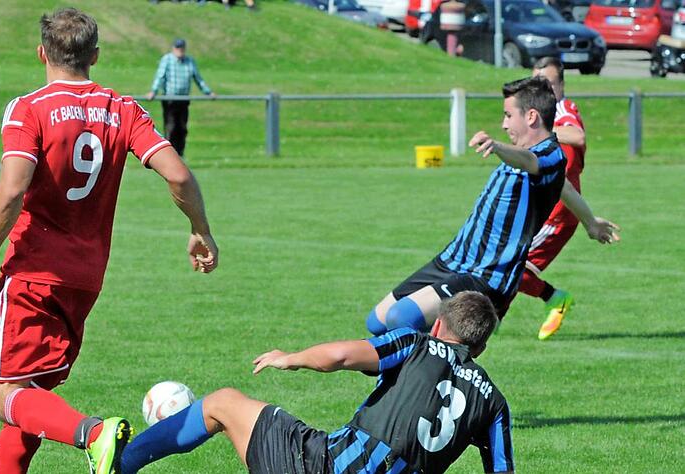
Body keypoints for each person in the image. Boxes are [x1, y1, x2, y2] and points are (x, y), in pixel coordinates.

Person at [0, 8, 218, 474]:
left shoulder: (29, 108)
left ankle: (94, 434)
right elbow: (177, 173)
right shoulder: (123, 109)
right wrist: (200, 229)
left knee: (3, 396)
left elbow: (13, 188)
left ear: (42, 53)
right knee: (31, 389)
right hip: (87, 277)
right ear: (94, 55)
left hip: (33, 271)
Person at [120, 291, 513, 474]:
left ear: (439, 324)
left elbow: (342, 355)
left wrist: (291, 359)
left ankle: (120, 463)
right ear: (479, 348)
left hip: (323, 466)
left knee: (222, 403)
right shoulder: (494, 403)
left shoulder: (415, 343)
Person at [365, 76, 619, 337]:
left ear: (531, 116)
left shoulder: (550, 154)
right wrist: (590, 222)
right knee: (377, 322)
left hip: (487, 274)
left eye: (508, 115)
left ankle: (432, 369)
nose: (504, 123)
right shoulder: (534, 159)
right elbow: (565, 188)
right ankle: (419, 366)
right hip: (454, 259)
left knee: (401, 318)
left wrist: (498, 146)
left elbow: (530, 162)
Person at [517, 57, 588, 340]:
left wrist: (544, 134)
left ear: (561, 85)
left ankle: (554, 298)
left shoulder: (563, 109)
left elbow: (577, 136)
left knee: (510, 265)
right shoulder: (539, 114)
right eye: (538, 83)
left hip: (559, 210)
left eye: (549, 83)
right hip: (541, 205)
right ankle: (489, 313)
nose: (543, 89)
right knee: (506, 265)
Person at [145, 39, 216, 158]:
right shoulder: (167, 60)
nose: (180, 50)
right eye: (178, 48)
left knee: (182, 128)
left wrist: (208, 93)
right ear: (173, 48)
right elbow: (160, 77)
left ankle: (180, 155)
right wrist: (154, 91)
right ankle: (169, 155)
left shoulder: (189, 61)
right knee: (171, 127)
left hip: (183, 100)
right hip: (170, 100)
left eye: (182, 48)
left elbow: (198, 79)